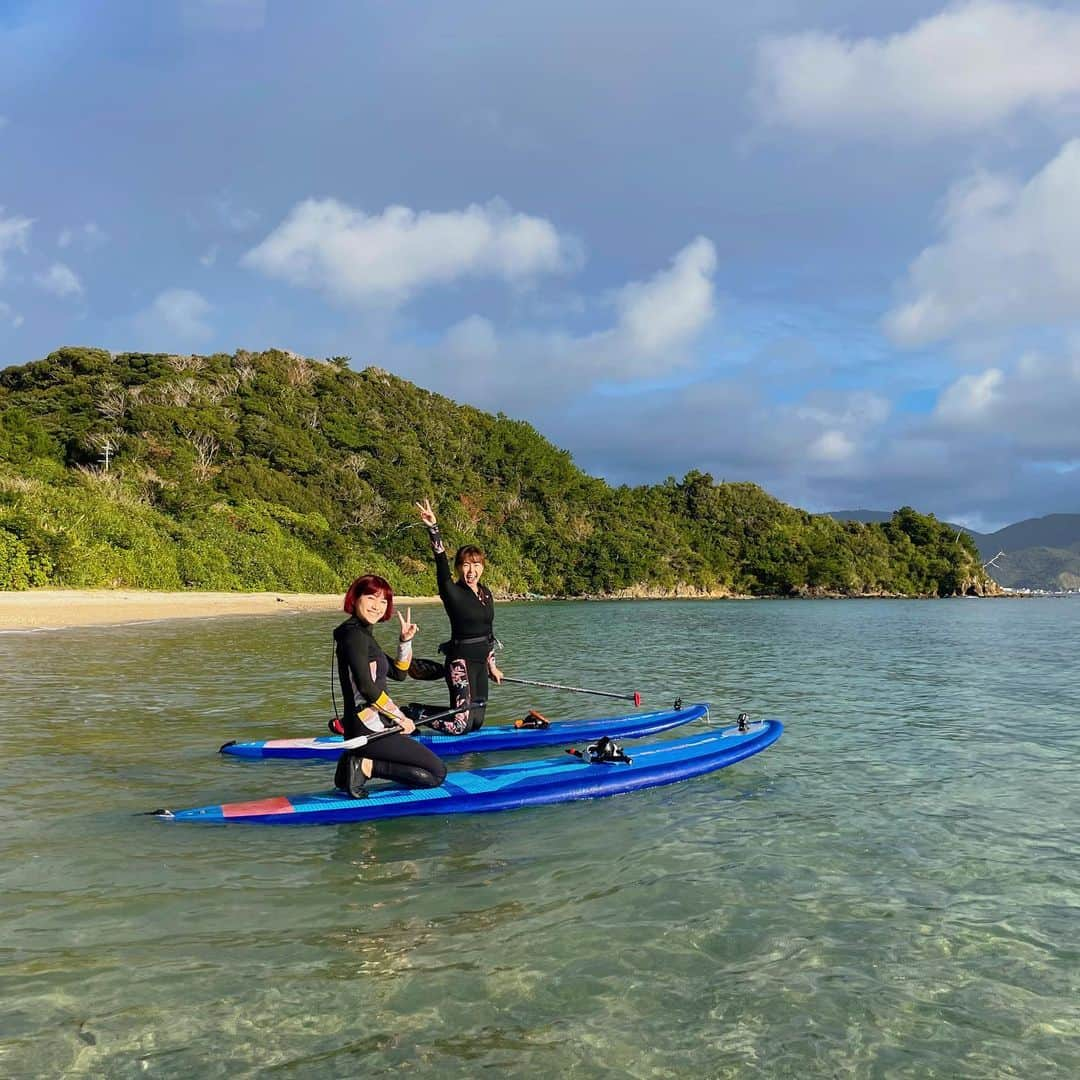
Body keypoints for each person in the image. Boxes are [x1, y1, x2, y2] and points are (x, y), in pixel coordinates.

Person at [332, 574, 447, 798]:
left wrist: (405, 641)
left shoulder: (362, 634)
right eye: (371, 598)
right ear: (355, 598)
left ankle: (353, 761)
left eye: (383, 601)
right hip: (367, 727)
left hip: (372, 725)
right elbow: (366, 687)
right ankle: (366, 765)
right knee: (436, 773)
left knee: (430, 768)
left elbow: (399, 673)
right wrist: (400, 718)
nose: (377, 606)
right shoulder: (354, 635)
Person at [415, 498, 504, 734]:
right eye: (465, 565)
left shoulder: (485, 593)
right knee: (460, 724)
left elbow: (489, 633)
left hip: (480, 663)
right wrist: (433, 529)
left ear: (483, 568)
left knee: (476, 723)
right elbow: (441, 563)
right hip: (460, 662)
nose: (471, 571)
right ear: (458, 568)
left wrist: (492, 666)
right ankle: (414, 713)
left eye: (476, 565)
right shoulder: (452, 591)